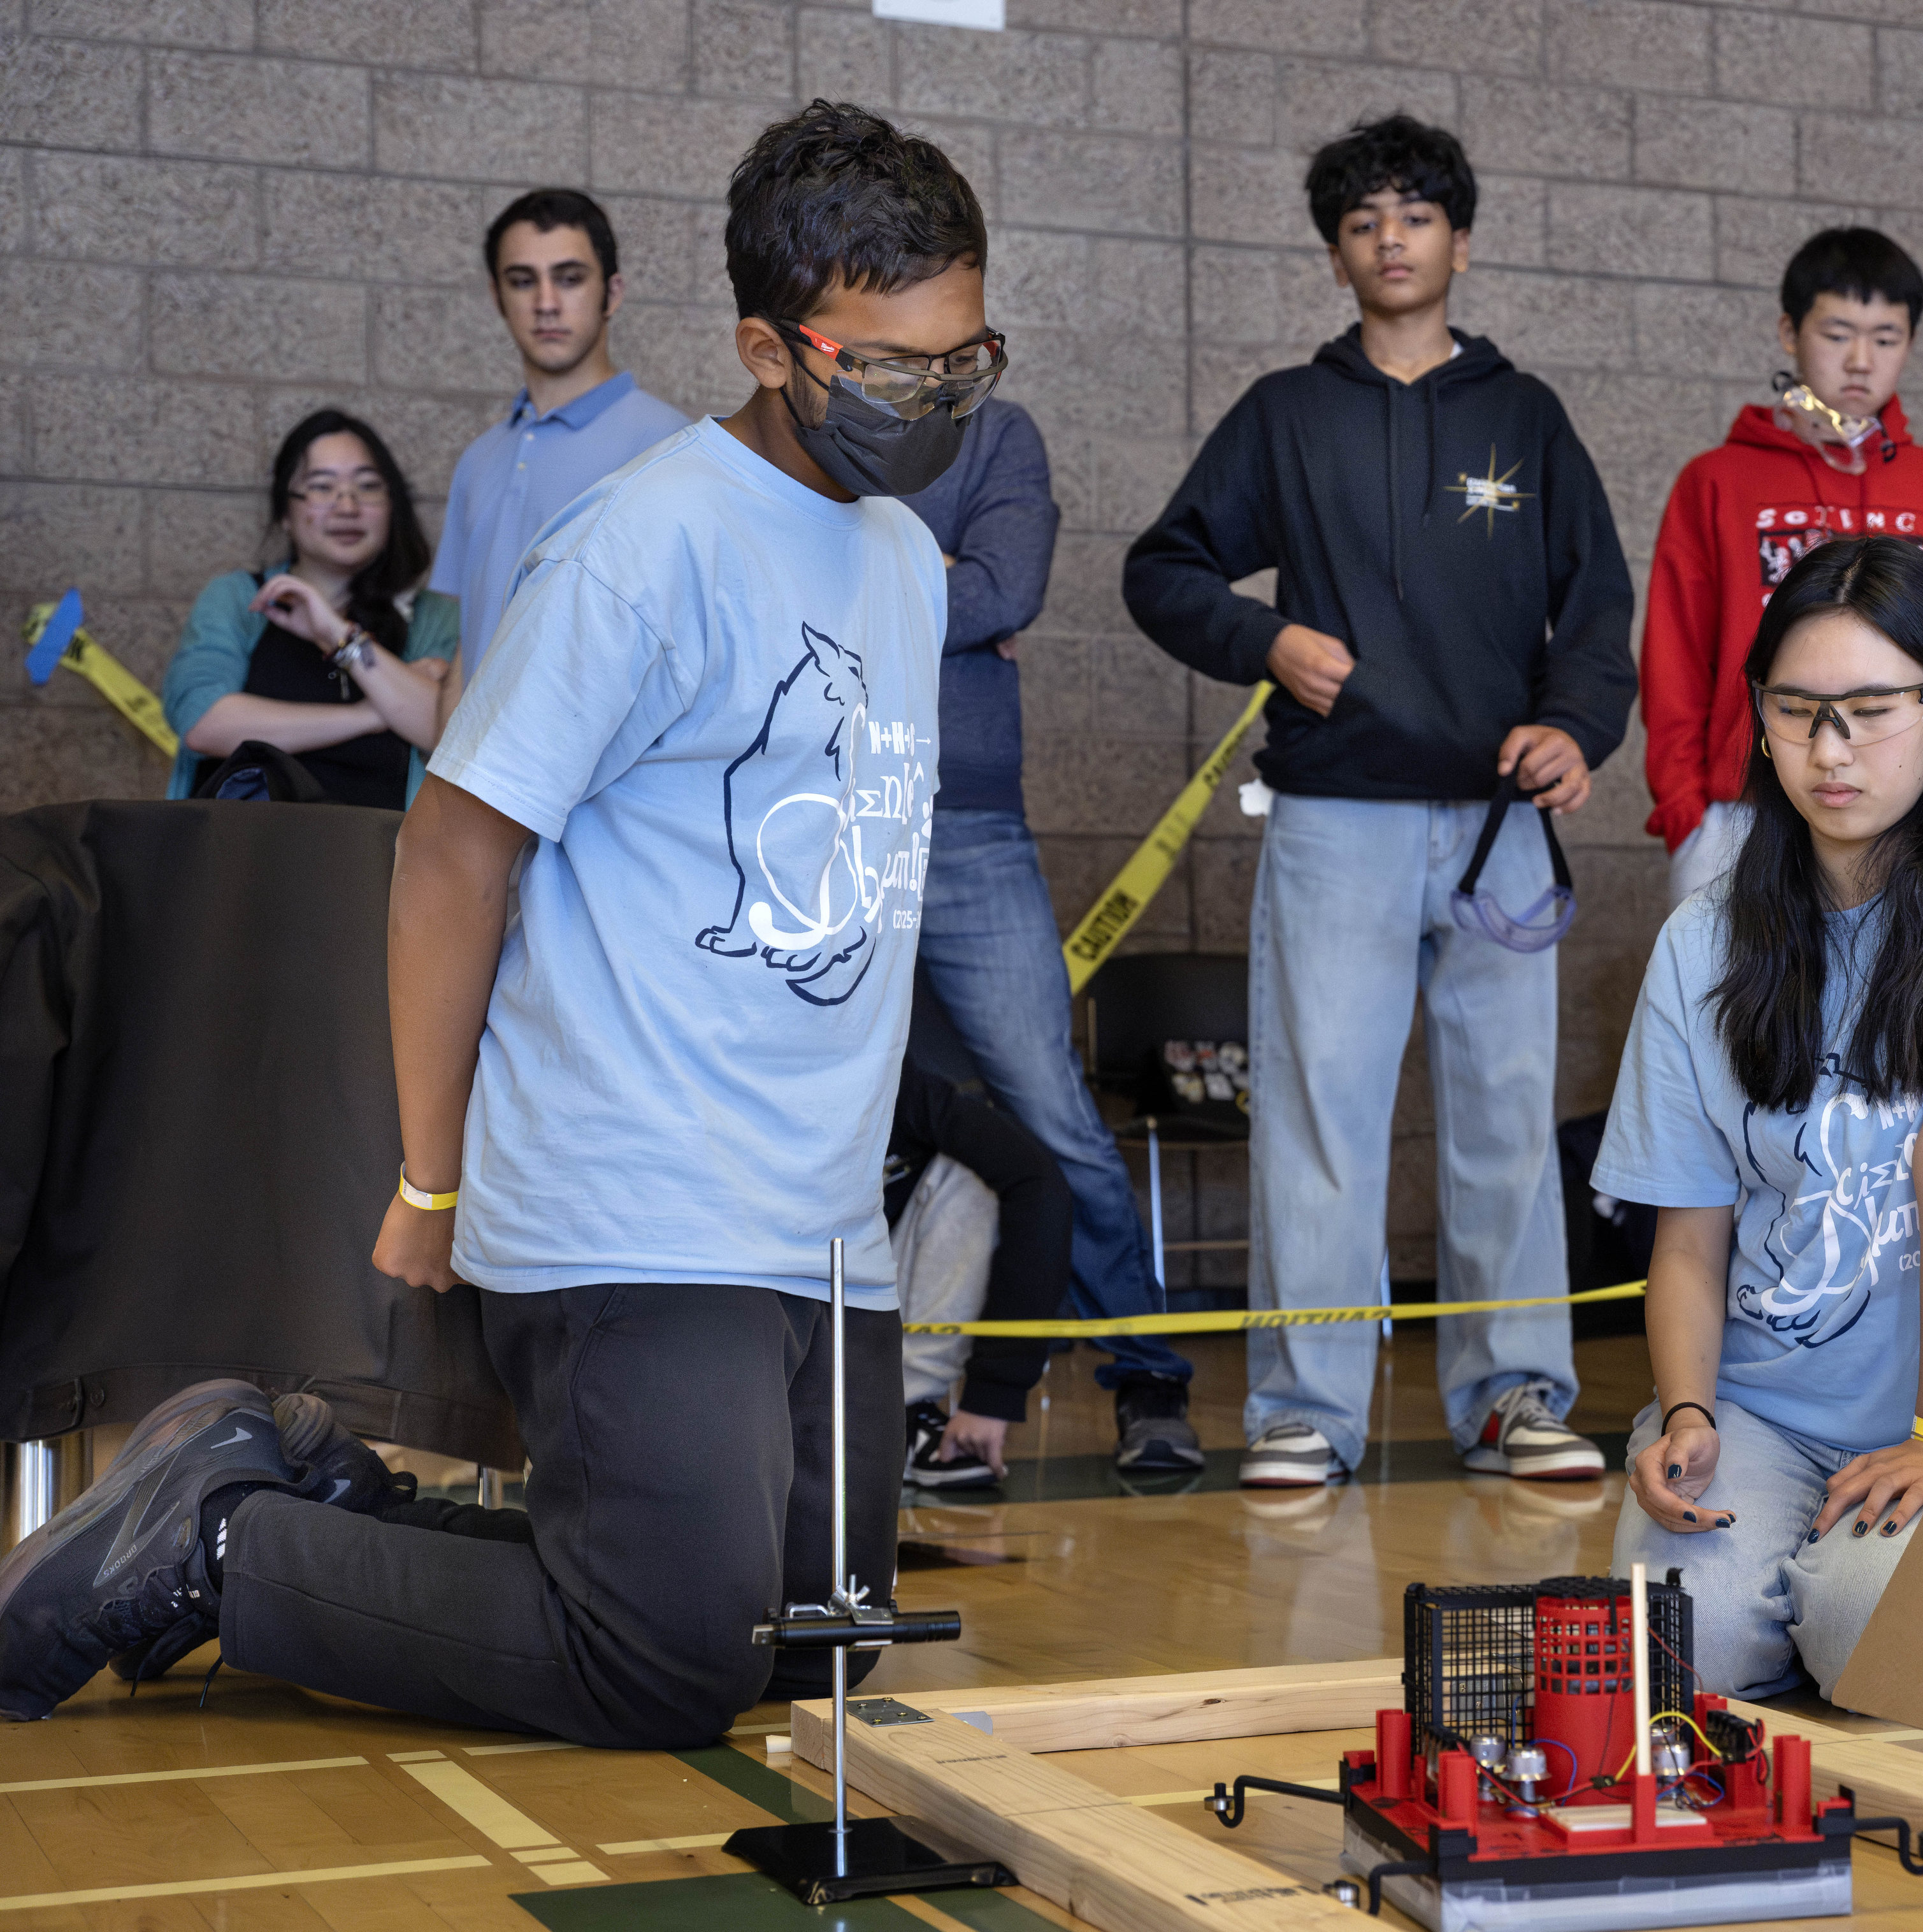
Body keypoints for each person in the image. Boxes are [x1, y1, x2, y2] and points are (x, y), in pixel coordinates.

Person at [0, 102, 998, 1743]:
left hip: (817, 1222)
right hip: (634, 1186)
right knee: (663, 1662)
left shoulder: (903, 554)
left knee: (816, 1642)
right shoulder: (639, 547)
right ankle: (220, 1544)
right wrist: (428, 1175)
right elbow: (451, 857)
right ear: (765, 344)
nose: (935, 400)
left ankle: (305, 1487)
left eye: (964, 360)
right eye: (891, 369)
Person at [1123, 115, 1637, 1489]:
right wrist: (1262, 641)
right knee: (1317, 1121)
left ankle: (1514, 1399)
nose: (1390, 238)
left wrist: (1577, 727)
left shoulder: (1524, 418)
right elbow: (1162, 567)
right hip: (1332, 816)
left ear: (1458, 242)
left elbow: (1596, 606)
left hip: (1497, 824)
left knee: (1505, 1126)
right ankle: (1302, 1412)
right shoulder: (1285, 416)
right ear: (1336, 253)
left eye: (1415, 215)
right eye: (1362, 221)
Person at [1597, 535, 1923, 1702]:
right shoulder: (1704, 939)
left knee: (1867, 1643)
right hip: (1769, 1407)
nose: (1830, 751)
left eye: (1870, 711)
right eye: (1798, 713)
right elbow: (1687, 1241)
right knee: (1691, 1655)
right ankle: (1811, 1570)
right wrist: (1687, 1408)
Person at [900, 398, 1202, 1472]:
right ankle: (876, 1400)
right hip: (821, 815)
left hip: (970, 823)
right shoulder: (810, 421)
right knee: (840, 1117)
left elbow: (1006, 588)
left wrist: (866, 577)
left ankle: (1147, 1376)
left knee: (1051, 1112)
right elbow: (768, 598)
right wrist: (934, 577)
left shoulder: (999, 433)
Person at [1641, 227, 1923, 909]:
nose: (1861, 360)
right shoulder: (1717, 481)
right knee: (1735, 1010)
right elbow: (1673, 657)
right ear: (1788, 331)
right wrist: (1688, 812)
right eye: (1837, 334)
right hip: (1744, 812)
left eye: (1886, 338)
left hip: (1917, 811)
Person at [430, 189, 689, 724]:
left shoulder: (669, 447)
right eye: (523, 281)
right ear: (498, 297)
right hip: (479, 787)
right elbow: (471, 640)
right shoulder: (480, 459)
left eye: (569, 278)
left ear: (611, 293)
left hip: (602, 797)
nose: (546, 302)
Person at [162, 410, 455, 807]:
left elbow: (440, 729)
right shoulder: (237, 598)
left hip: (380, 861)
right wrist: (372, 714)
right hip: (237, 858)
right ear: (285, 512)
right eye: (322, 487)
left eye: (368, 487)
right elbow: (204, 724)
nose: (347, 506)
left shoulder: (432, 618)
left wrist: (339, 635)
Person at [890, 1058, 1073, 1489]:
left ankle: (901, 1414)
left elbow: (1037, 1182)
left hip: (863, 1287)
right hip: (760, 1297)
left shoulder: (891, 1080)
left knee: (976, 1174)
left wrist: (993, 1396)